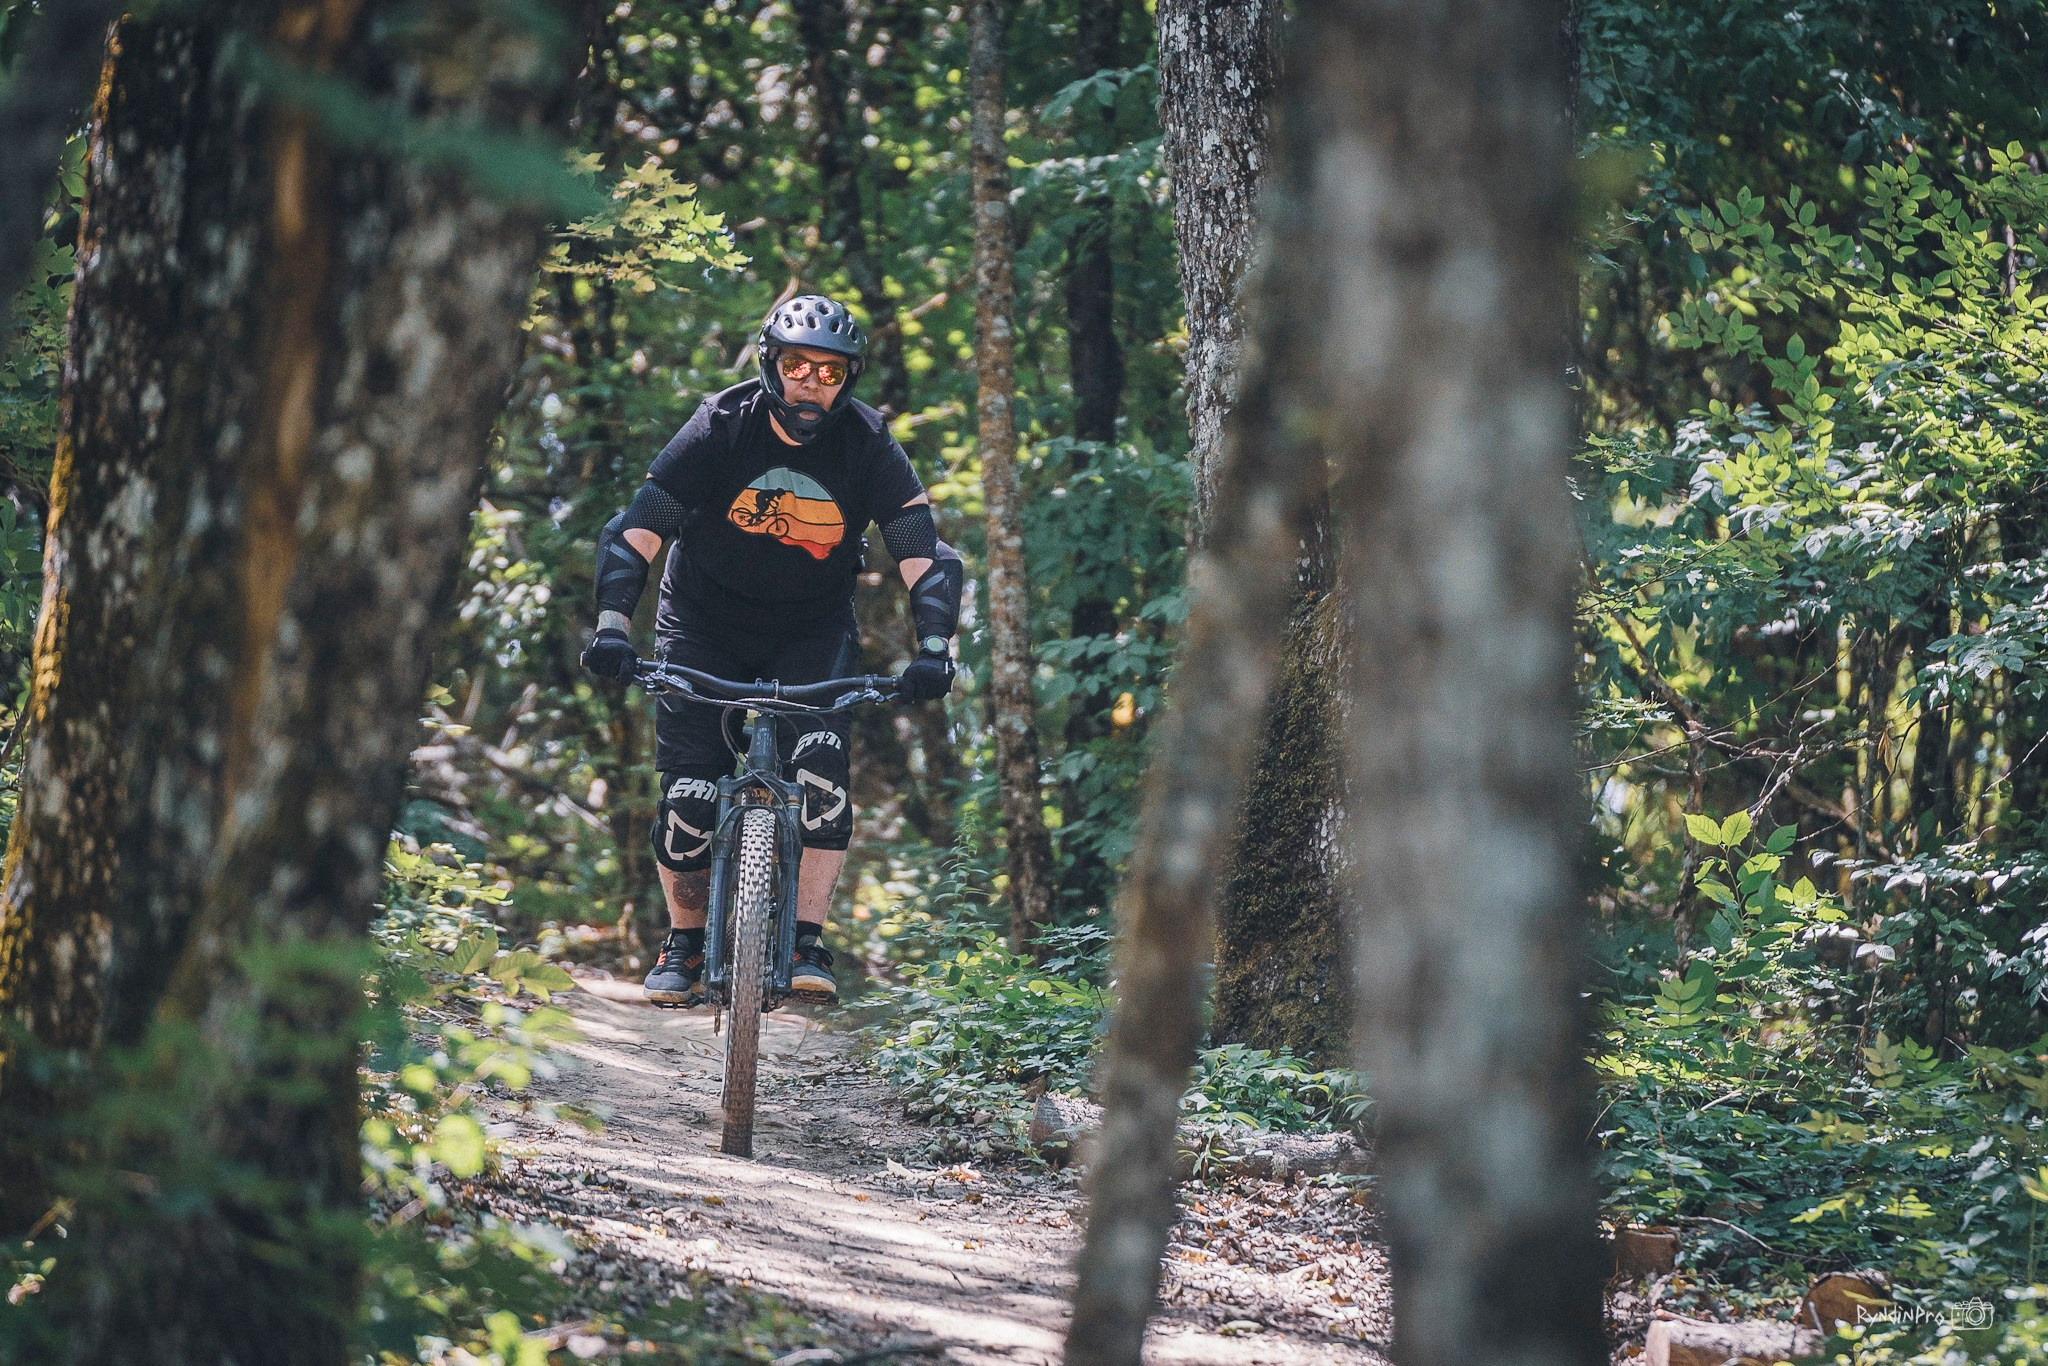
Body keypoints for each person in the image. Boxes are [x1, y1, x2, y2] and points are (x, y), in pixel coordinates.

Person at [583, 293, 962, 1007]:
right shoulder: (720, 425)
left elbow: (921, 549)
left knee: (821, 773)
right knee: (690, 792)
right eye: (797, 366)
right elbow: (637, 529)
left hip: (811, 629)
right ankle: (686, 943)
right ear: (770, 365)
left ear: (848, 380)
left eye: (830, 371)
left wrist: (936, 646)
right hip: (700, 620)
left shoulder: (867, 442)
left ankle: (806, 939)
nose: (812, 383)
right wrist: (610, 626)